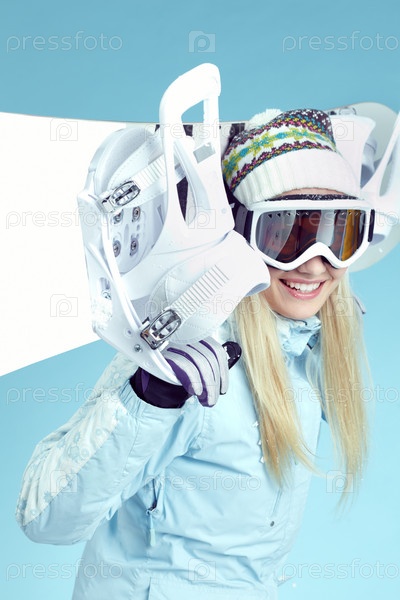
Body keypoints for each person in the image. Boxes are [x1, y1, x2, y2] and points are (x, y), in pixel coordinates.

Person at [16, 108, 373, 599]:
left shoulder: (302, 349)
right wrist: (147, 400)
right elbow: (46, 518)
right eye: (285, 234)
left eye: (338, 234)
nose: (315, 265)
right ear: (240, 235)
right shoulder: (184, 357)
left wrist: (325, 333)